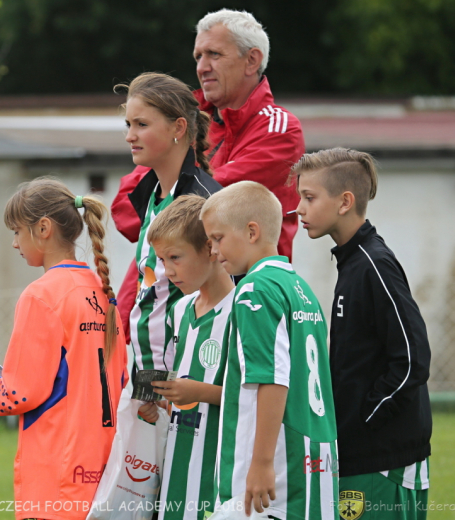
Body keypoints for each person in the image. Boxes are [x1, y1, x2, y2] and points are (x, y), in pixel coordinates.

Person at [113, 9, 305, 344]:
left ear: (252, 60)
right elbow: (127, 213)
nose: (201, 66)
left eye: (214, 54)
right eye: (198, 55)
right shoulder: (186, 118)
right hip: (153, 310)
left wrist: (176, 173)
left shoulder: (279, 128)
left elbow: (200, 204)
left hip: (238, 314)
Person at [0, 178, 128, 520]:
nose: (15, 243)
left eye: (17, 231)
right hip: (105, 468)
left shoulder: (41, 295)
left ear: (43, 228)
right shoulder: (101, 290)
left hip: (56, 475)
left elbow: (19, 394)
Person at [294, 148, 431, 519]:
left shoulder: (374, 264)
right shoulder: (351, 262)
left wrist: (365, 420)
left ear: (345, 202)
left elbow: (413, 360)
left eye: (309, 197)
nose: (298, 209)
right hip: (358, 455)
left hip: (383, 460)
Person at [201, 182, 338, 519]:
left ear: (251, 232)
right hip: (314, 466)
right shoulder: (298, 286)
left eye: (218, 238)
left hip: (270, 476)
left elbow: (273, 379)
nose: (214, 251)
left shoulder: (254, 290)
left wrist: (261, 464)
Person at [116, 72, 222, 374]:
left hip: (184, 378)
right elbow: (149, 289)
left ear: (178, 127)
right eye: (128, 124)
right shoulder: (150, 193)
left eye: (142, 125)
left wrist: (177, 384)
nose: (129, 136)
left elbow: (222, 297)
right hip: (148, 375)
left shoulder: (205, 203)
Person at [137, 195, 235, 520]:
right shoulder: (180, 309)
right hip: (177, 472)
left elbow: (261, 396)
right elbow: (186, 392)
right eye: (162, 260)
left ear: (211, 249)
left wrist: (197, 393)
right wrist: (161, 404)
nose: (167, 271)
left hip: (219, 477)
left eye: (175, 257)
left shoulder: (242, 310)